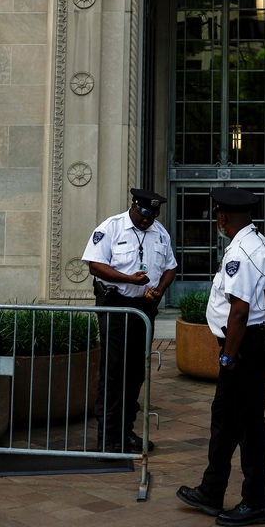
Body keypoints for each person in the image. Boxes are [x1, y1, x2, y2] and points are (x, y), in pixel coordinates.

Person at [177, 187, 265, 527]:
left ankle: (256, 503)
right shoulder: (257, 243)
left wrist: (228, 357)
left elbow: (239, 311)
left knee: (249, 425)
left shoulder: (243, 251)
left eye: (217, 217)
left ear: (223, 218)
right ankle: (212, 490)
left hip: (245, 346)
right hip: (253, 341)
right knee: (225, 419)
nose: (217, 221)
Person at [81, 188, 177, 453]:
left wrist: (160, 289)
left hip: (145, 307)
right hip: (116, 306)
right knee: (113, 372)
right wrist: (128, 279)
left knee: (135, 373)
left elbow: (171, 267)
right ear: (134, 206)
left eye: (152, 216)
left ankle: (126, 432)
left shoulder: (160, 232)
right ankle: (107, 439)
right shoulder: (111, 227)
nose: (147, 221)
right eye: (144, 215)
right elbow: (95, 265)